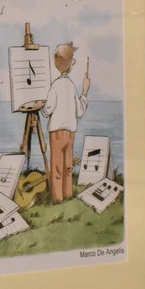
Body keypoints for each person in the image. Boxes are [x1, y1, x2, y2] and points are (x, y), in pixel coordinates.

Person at [42, 42, 90, 203]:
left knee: (57, 167)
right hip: (70, 134)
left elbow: (48, 109)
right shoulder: (71, 86)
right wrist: (85, 92)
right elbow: (80, 111)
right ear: (71, 63)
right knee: (68, 167)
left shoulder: (55, 85)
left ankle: (57, 198)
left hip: (57, 133)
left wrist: (42, 107)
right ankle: (67, 195)